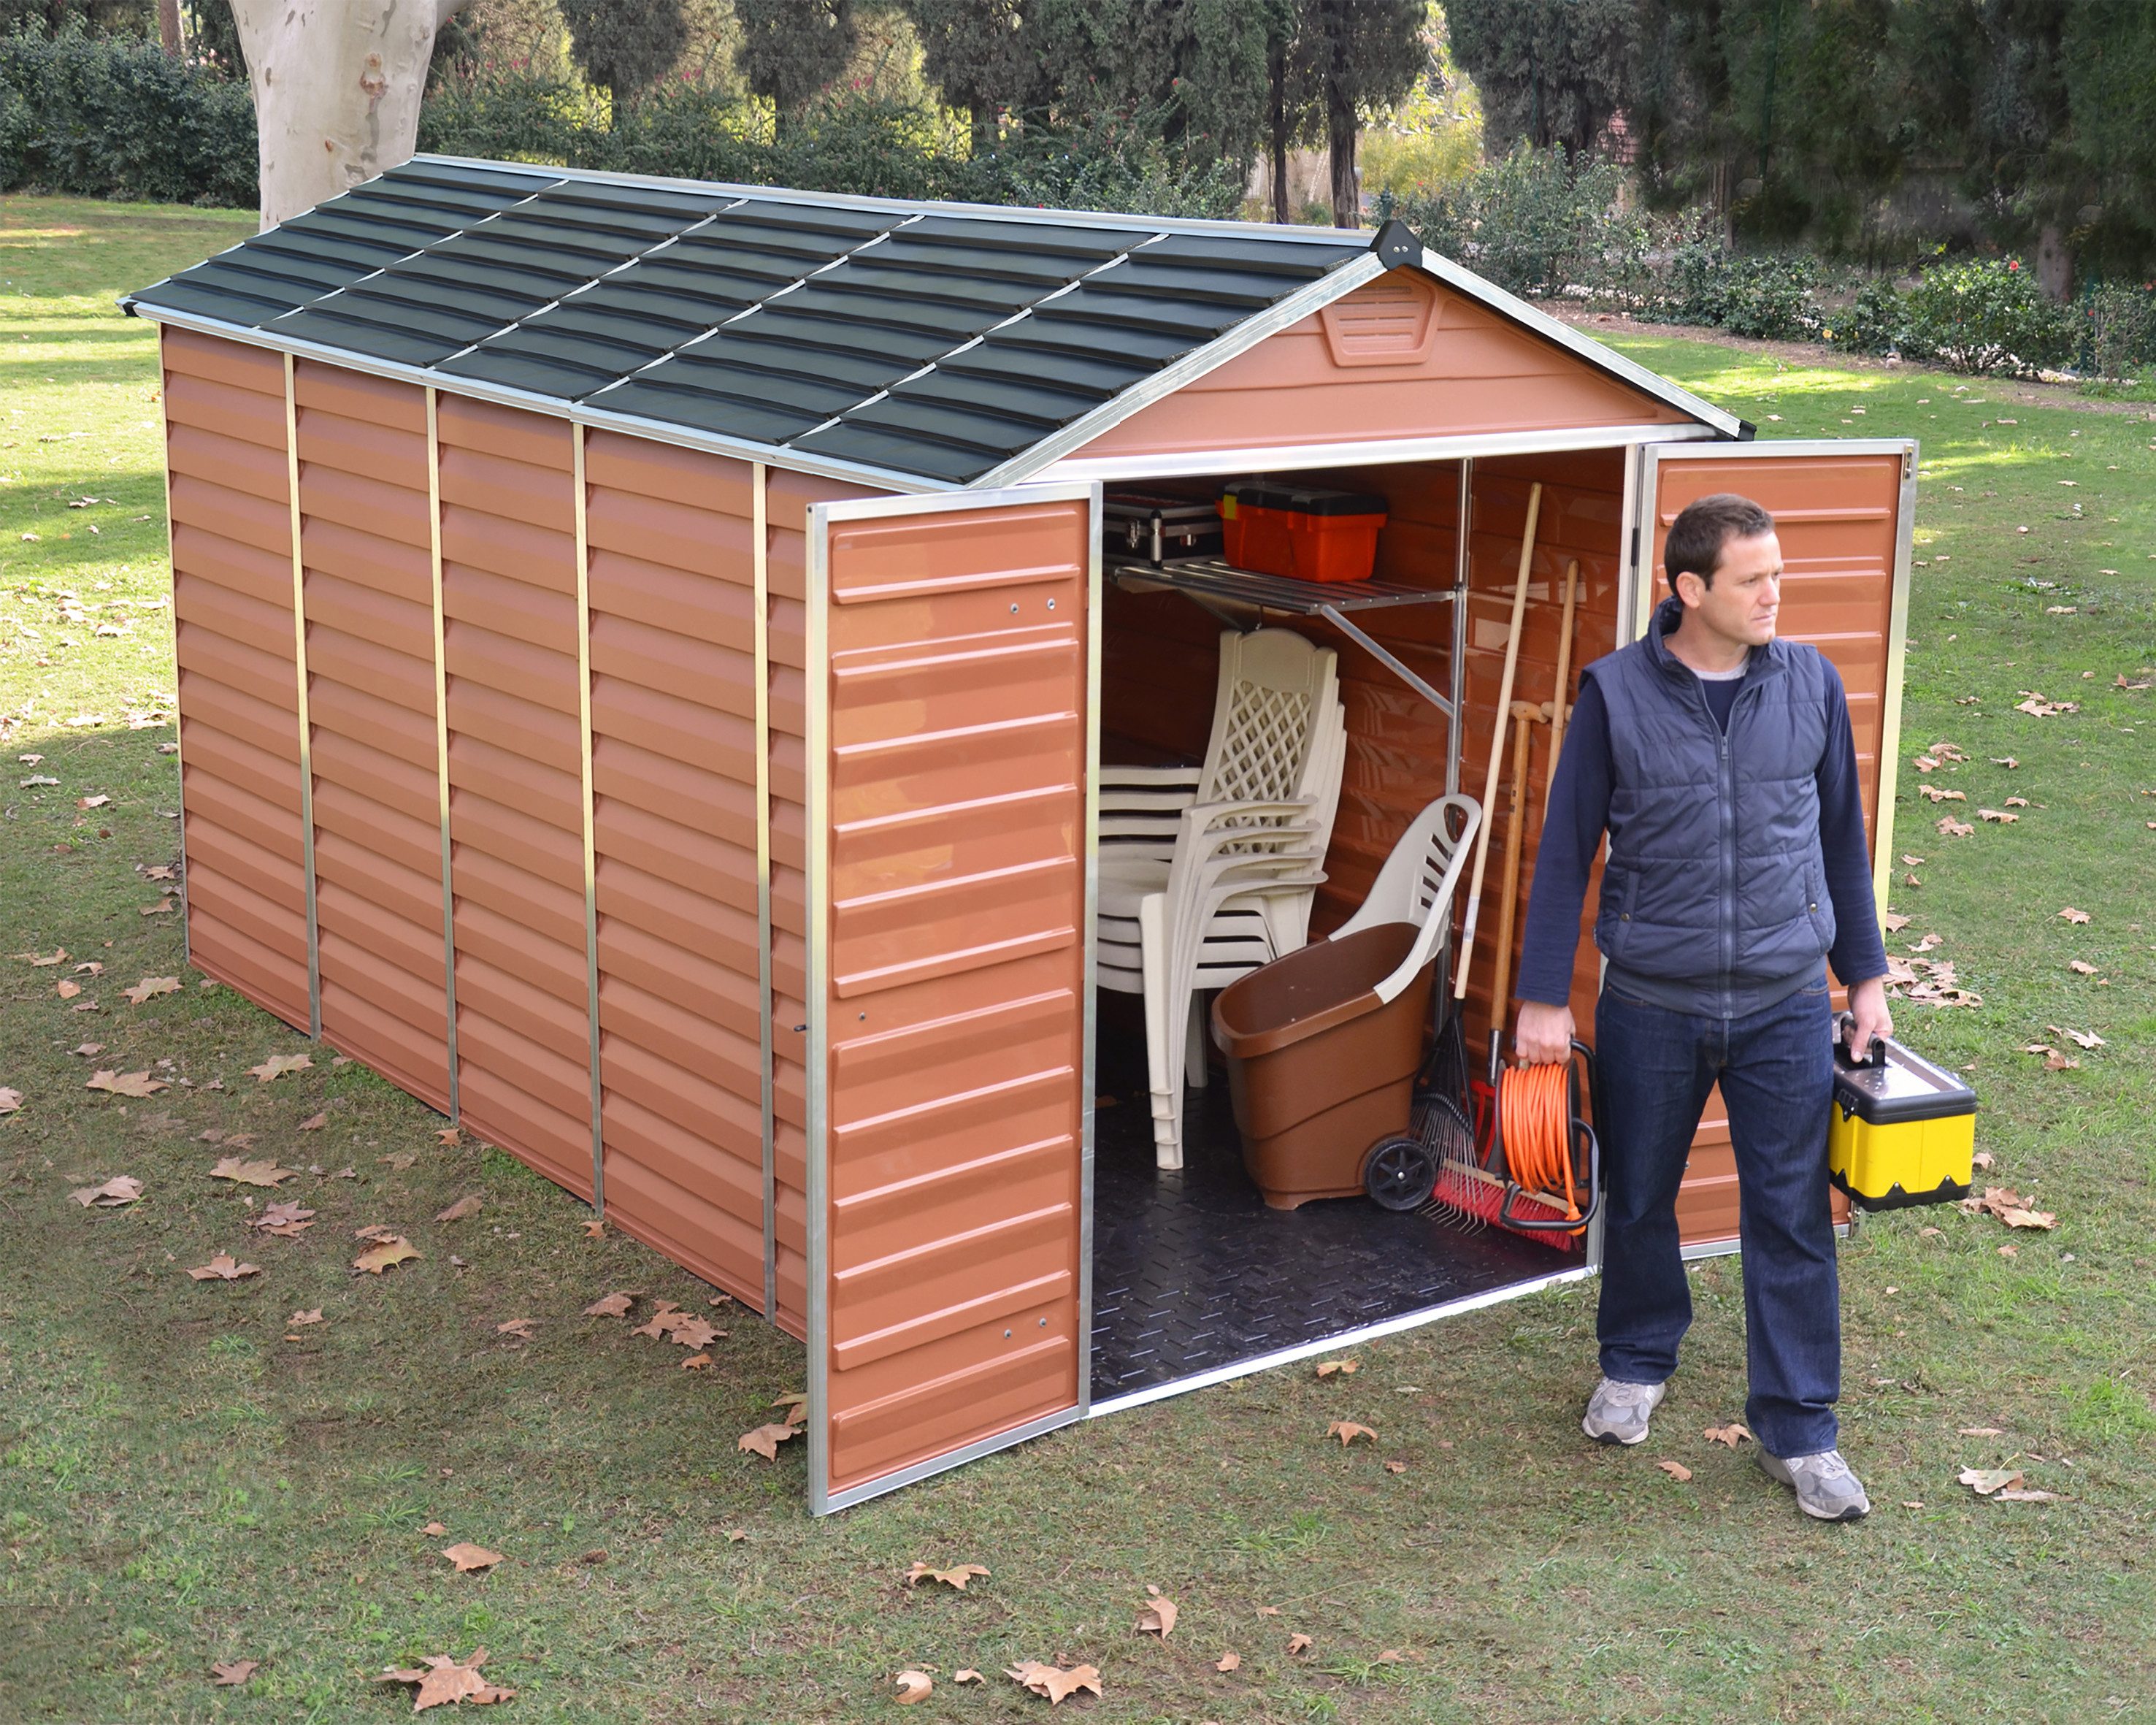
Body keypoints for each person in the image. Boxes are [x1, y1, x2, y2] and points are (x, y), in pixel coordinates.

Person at [1512, 492, 1892, 1523]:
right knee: (1639, 1195)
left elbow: (1840, 840)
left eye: (1778, 573)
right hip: (1650, 1000)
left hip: (1783, 1001)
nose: (1774, 593)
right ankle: (1635, 1363)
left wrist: (1864, 980)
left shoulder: (1810, 683)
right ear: (1689, 588)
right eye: (1752, 578)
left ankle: (1799, 1429)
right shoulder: (1615, 693)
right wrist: (1542, 996)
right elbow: (1565, 850)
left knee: (1791, 1213)